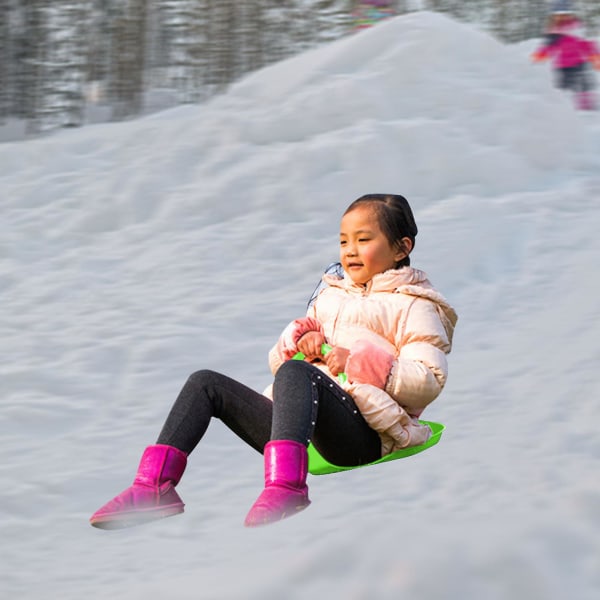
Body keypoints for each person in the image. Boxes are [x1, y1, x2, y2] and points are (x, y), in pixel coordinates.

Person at [89, 193, 458, 530]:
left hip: (365, 435)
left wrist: (354, 360)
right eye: (344, 241)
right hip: (303, 432)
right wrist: (301, 339)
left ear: (401, 248)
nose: (350, 251)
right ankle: (153, 487)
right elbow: (282, 365)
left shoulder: (416, 305)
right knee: (206, 383)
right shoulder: (331, 294)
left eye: (364, 240)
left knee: (300, 372)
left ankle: (287, 487)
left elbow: (428, 379)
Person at [531, 0, 600, 110]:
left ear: (571, 14)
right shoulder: (554, 32)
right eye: (558, 15)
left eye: (565, 14)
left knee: (585, 84)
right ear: (553, 16)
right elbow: (547, 47)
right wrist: (539, 56)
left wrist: (595, 57)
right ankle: (562, 108)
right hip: (563, 67)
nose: (562, 17)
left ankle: (587, 106)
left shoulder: (576, 27)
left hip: (579, 63)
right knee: (563, 88)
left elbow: (586, 44)